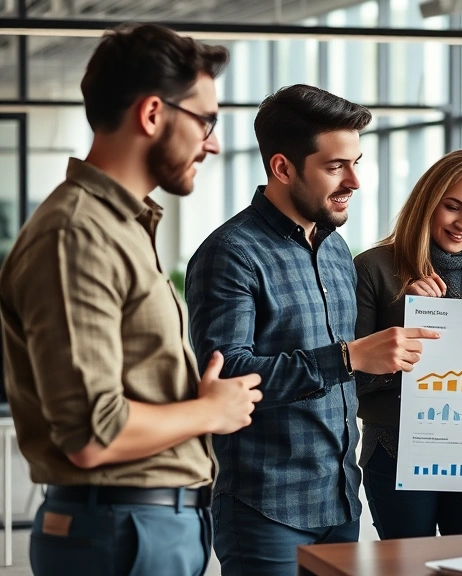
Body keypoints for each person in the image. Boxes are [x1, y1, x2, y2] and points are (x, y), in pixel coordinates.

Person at [0, 23, 261, 576]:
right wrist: (209, 411)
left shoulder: (121, 227)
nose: (213, 142)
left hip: (147, 528)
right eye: (206, 121)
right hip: (121, 533)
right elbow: (92, 435)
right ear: (151, 114)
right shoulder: (77, 235)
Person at [185, 85, 438, 575]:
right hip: (266, 507)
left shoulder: (337, 249)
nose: (355, 181)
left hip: (341, 500)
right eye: (335, 166)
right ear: (283, 168)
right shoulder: (230, 254)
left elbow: (355, 371)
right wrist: (347, 357)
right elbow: (226, 376)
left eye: (357, 162)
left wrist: (407, 333)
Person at [355, 149, 462, 539]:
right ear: (428, 203)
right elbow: (349, 380)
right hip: (396, 449)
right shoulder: (374, 268)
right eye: (452, 207)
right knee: (410, 566)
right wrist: (406, 317)